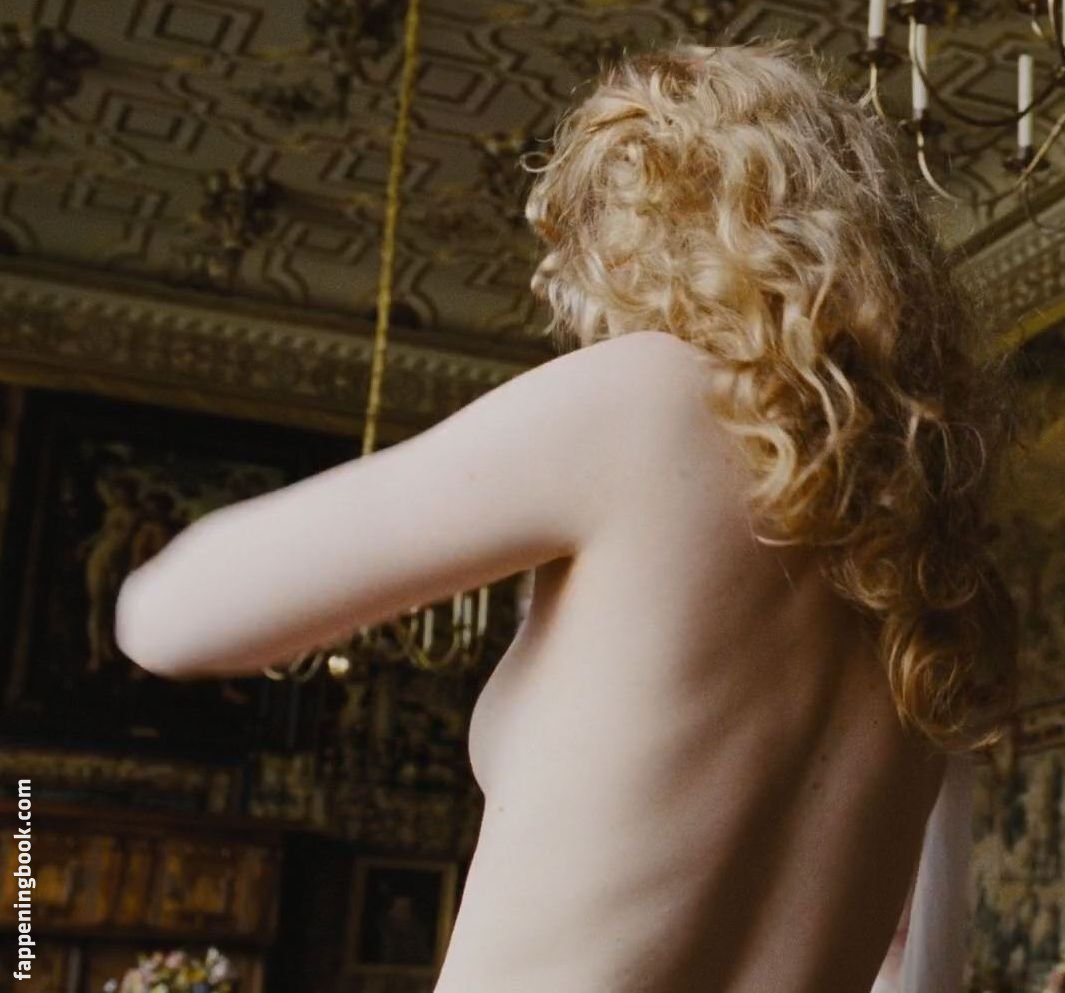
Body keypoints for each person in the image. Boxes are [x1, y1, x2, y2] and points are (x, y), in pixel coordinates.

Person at [115, 41, 1012, 993]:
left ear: (656, 228)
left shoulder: (644, 399)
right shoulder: (943, 564)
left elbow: (168, 616)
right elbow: (917, 972)